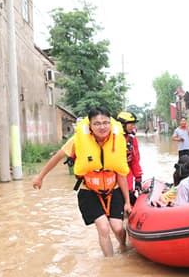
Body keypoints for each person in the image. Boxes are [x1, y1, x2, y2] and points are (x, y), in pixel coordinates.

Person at [32, 107, 132, 257]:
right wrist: (40, 176)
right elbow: (57, 158)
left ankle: (123, 247)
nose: (102, 127)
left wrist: (127, 201)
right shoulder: (78, 140)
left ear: (111, 124)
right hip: (89, 190)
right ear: (90, 126)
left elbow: (122, 174)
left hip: (114, 188)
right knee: (103, 227)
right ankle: (110, 264)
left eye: (105, 123)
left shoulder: (117, 141)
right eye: (97, 123)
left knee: (118, 228)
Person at [116, 111, 143, 205]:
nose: (133, 127)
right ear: (122, 125)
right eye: (131, 124)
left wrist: (138, 179)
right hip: (112, 176)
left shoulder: (132, 139)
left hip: (127, 174)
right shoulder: (111, 138)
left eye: (134, 124)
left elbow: (135, 161)